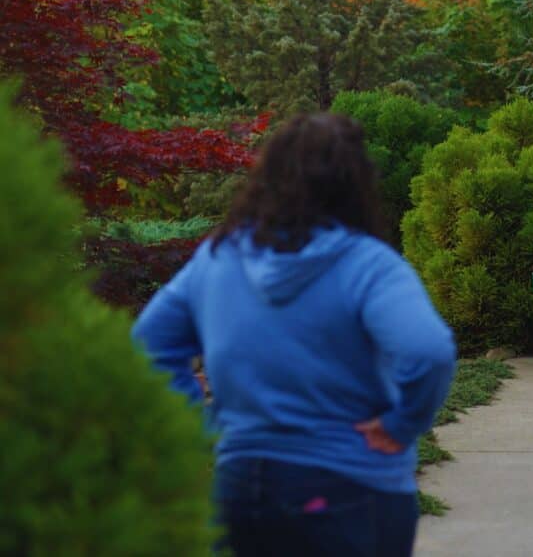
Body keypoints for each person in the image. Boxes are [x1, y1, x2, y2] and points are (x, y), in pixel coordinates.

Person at [131, 113, 456, 557]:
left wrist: (201, 427)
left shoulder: (219, 258)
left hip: (242, 490)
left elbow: (147, 347)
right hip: (352, 489)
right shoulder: (368, 265)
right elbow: (429, 351)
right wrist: (403, 424)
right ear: (356, 183)